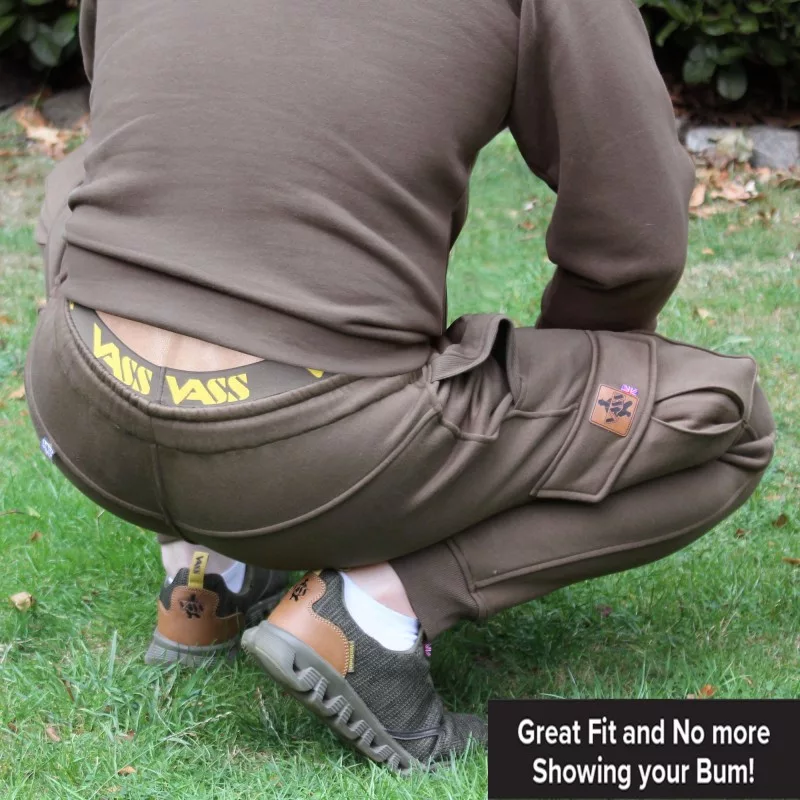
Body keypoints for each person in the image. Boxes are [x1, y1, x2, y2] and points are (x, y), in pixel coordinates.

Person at [26, 0, 775, 773]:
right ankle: (373, 614)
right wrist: (578, 368)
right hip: (315, 453)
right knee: (728, 421)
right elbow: (635, 234)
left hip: (81, 407)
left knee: (87, 177)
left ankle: (209, 574)